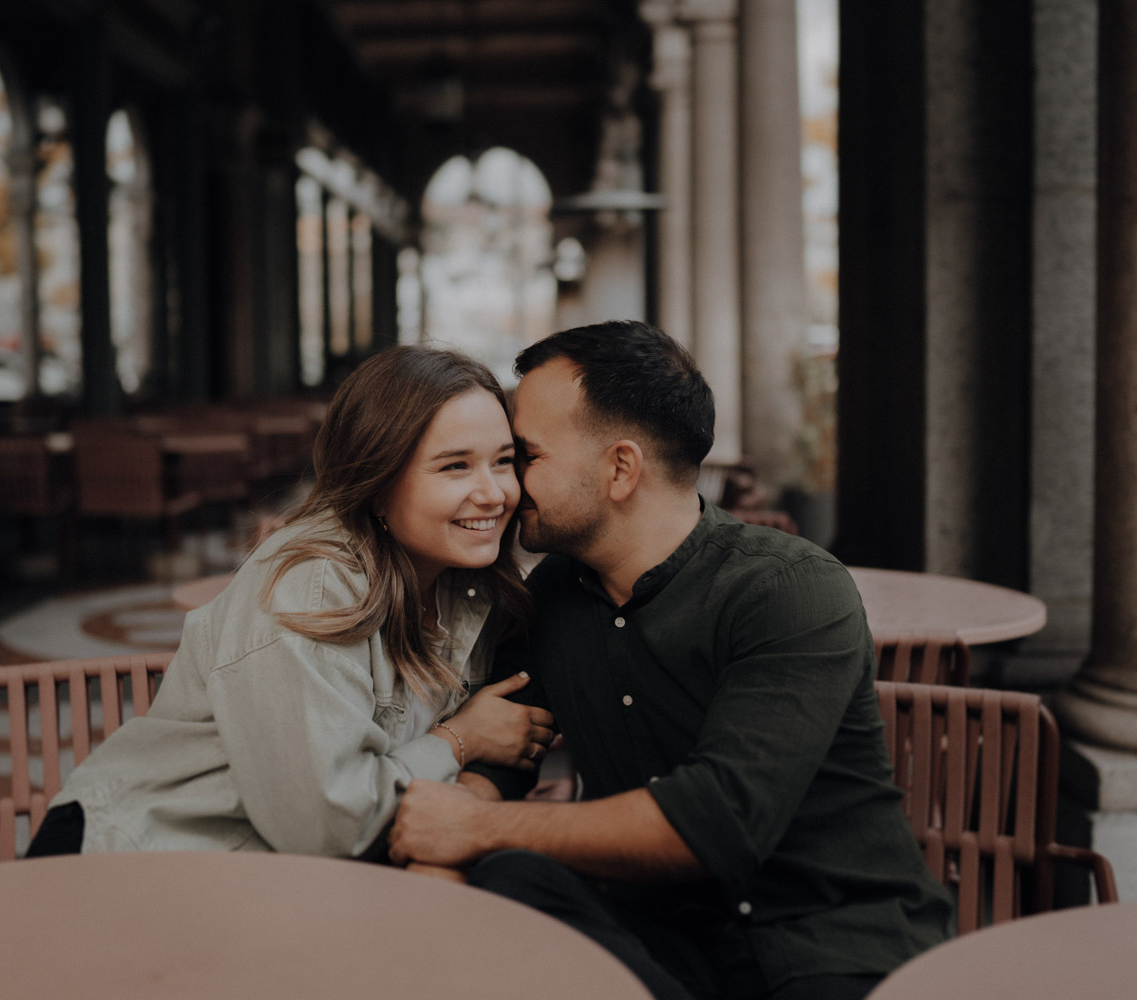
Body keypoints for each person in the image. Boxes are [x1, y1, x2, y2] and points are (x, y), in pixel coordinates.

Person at [388, 321, 954, 1000]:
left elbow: (716, 821)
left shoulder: (788, 588)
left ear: (621, 469)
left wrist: (475, 828)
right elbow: (503, 759)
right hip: (662, 936)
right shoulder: (552, 597)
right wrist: (449, 842)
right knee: (509, 880)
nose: (506, 486)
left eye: (523, 457)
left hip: (832, 942)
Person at [27, 345, 555, 858]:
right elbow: (327, 826)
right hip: (139, 860)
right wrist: (459, 740)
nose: (493, 493)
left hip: (272, 885)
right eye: (455, 467)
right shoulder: (314, 587)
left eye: (503, 461)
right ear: (376, 482)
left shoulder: (464, 581)